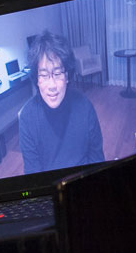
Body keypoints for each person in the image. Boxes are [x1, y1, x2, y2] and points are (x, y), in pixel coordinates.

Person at [18, 30, 104, 175]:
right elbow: (33, 173)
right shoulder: (27, 117)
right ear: (37, 80)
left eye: (57, 74)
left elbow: (97, 160)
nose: (52, 85)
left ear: (67, 76)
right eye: (44, 75)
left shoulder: (85, 106)